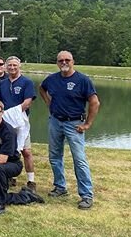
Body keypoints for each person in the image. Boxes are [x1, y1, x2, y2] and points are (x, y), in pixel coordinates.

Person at [39, 51, 100, 210]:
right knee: (54, 156)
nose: (64, 63)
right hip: (55, 121)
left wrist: (87, 124)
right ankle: (60, 187)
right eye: (61, 60)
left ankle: (86, 195)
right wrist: (49, 105)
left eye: (67, 60)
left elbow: (95, 103)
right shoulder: (52, 79)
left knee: (79, 159)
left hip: (74, 124)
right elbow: (41, 89)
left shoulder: (83, 80)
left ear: (73, 61)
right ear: (57, 63)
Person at [0, 100, 44, 215]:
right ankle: (24, 195)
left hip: (12, 164)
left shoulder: (8, 131)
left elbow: (3, 160)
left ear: (2, 113)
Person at [0, 56, 37, 191]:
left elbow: (27, 102)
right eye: (10, 65)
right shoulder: (2, 84)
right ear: (6, 67)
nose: (12, 68)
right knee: (8, 149)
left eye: (15, 65)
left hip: (21, 121)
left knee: (25, 151)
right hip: (5, 122)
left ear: (19, 66)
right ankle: (10, 176)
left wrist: (12, 114)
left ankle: (31, 181)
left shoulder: (27, 82)